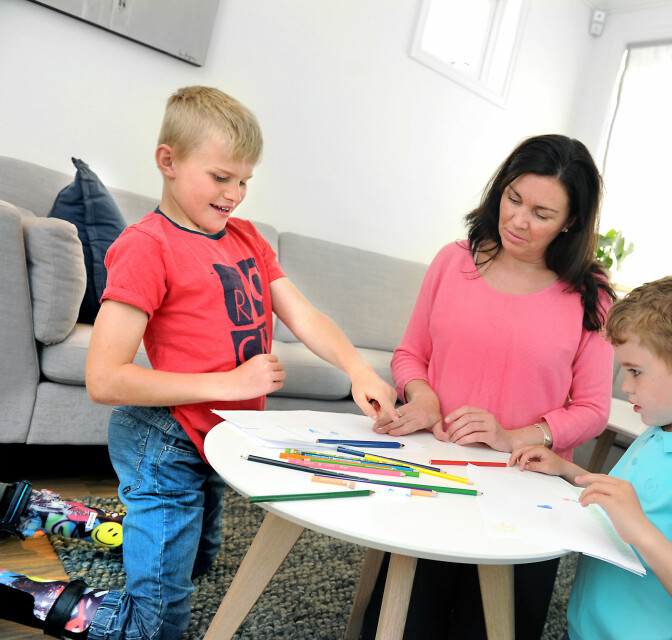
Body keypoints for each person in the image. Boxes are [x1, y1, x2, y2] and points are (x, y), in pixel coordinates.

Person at [0, 86, 397, 640]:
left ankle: (55, 514)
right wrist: (229, 383)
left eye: (244, 181)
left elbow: (304, 315)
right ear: (168, 161)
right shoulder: (147, 246)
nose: (234, 194)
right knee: (155, 626)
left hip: (217, 436)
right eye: (220, 177)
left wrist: (359, 370)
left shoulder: (247, 238)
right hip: (162, 439)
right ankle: (22, 592)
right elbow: (104, 378)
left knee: (198, 564)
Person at [362, 134, 615, 640]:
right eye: (513, 199)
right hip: (435, 473)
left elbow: (592, 409)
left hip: (526, 491)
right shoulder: (453, 261)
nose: (518, 220)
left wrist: (513, 436)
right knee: (402, 625)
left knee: (492, 629)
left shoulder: (591, 294)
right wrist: (423, 395)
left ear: (570, 221)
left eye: (542, 213)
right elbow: (410, 353)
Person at [510, 275, 672, 640]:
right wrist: (566, 470)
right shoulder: (660, 432)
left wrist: (640, 530)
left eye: (635, 372)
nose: (625, 386)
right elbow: (623, 503)